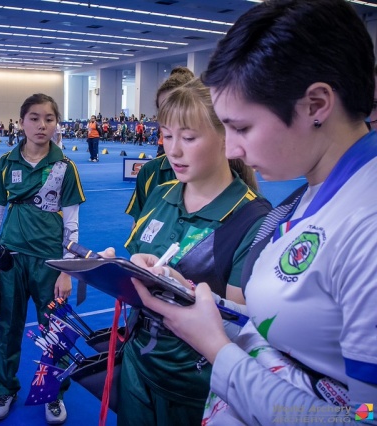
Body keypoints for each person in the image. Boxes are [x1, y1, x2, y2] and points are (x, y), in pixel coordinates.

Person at [130, 0, 377, 424]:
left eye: (241, 128)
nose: (232, 149)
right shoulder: (300, 203)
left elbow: (365, 415)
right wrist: (188, 296)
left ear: (316, 104)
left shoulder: (366, 226)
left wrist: (218, 352)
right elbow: (278, 339)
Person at [116, 79, 270, 425]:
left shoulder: (253, 220)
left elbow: (242, 324)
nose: (173, 150)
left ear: (226, 139)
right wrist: (123, 269)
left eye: (188, 138)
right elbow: (139, 258)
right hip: (138, 366)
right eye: (167, 136)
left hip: (196, 388)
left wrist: (180, 288)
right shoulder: (161, 194)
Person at [0, 93, 86, 424]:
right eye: (34, 118)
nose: (41, 125)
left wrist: (67, 269)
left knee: (55, 329)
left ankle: (54, 392)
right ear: (22, 121)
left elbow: (72, 222)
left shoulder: (65, 167)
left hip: (50, 265)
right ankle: (5, 387)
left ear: (57, 124)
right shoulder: (6, 163)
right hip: (9, 260)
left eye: (49, 119)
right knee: (8, 327)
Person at [125, 67, 195, 224]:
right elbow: (139, 229)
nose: (170, 116)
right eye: (164, 109)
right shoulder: (149, 172)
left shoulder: (222, 176)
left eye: (178, 106)